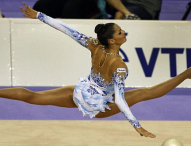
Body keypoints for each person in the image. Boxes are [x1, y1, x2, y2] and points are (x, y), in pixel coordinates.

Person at [2, 2, 188, 138]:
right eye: (120, 32)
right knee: (145, 93)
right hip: (100, 106)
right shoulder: (119, 66)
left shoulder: (94, 45)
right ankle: (187, 74)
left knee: (34, 97)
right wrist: (136, 125)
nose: (124, 32)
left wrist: (40, 16)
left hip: (80, 94)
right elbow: (121, 100)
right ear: (113, 41)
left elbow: (67, 30)